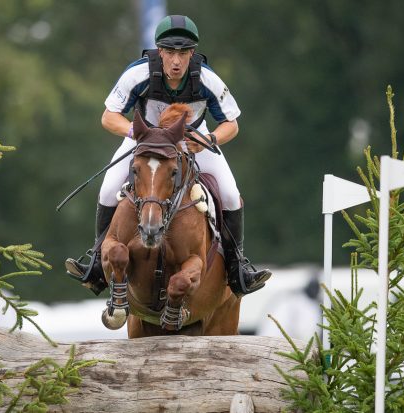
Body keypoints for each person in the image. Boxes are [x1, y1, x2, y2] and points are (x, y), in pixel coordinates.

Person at [65, 14, 271, 297]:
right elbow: (108, 117)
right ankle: (97, 267)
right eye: (171, 52)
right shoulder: (138, 74)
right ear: (159, 51)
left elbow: (232, 124)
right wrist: (137, 134)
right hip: (146, 142)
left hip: (190, 141)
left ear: (192, 54)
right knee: (108, 188)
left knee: (231, 194)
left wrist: (209, 139)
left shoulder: (207, 79)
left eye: (183, 53)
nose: (176, 61)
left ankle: (237, 270)